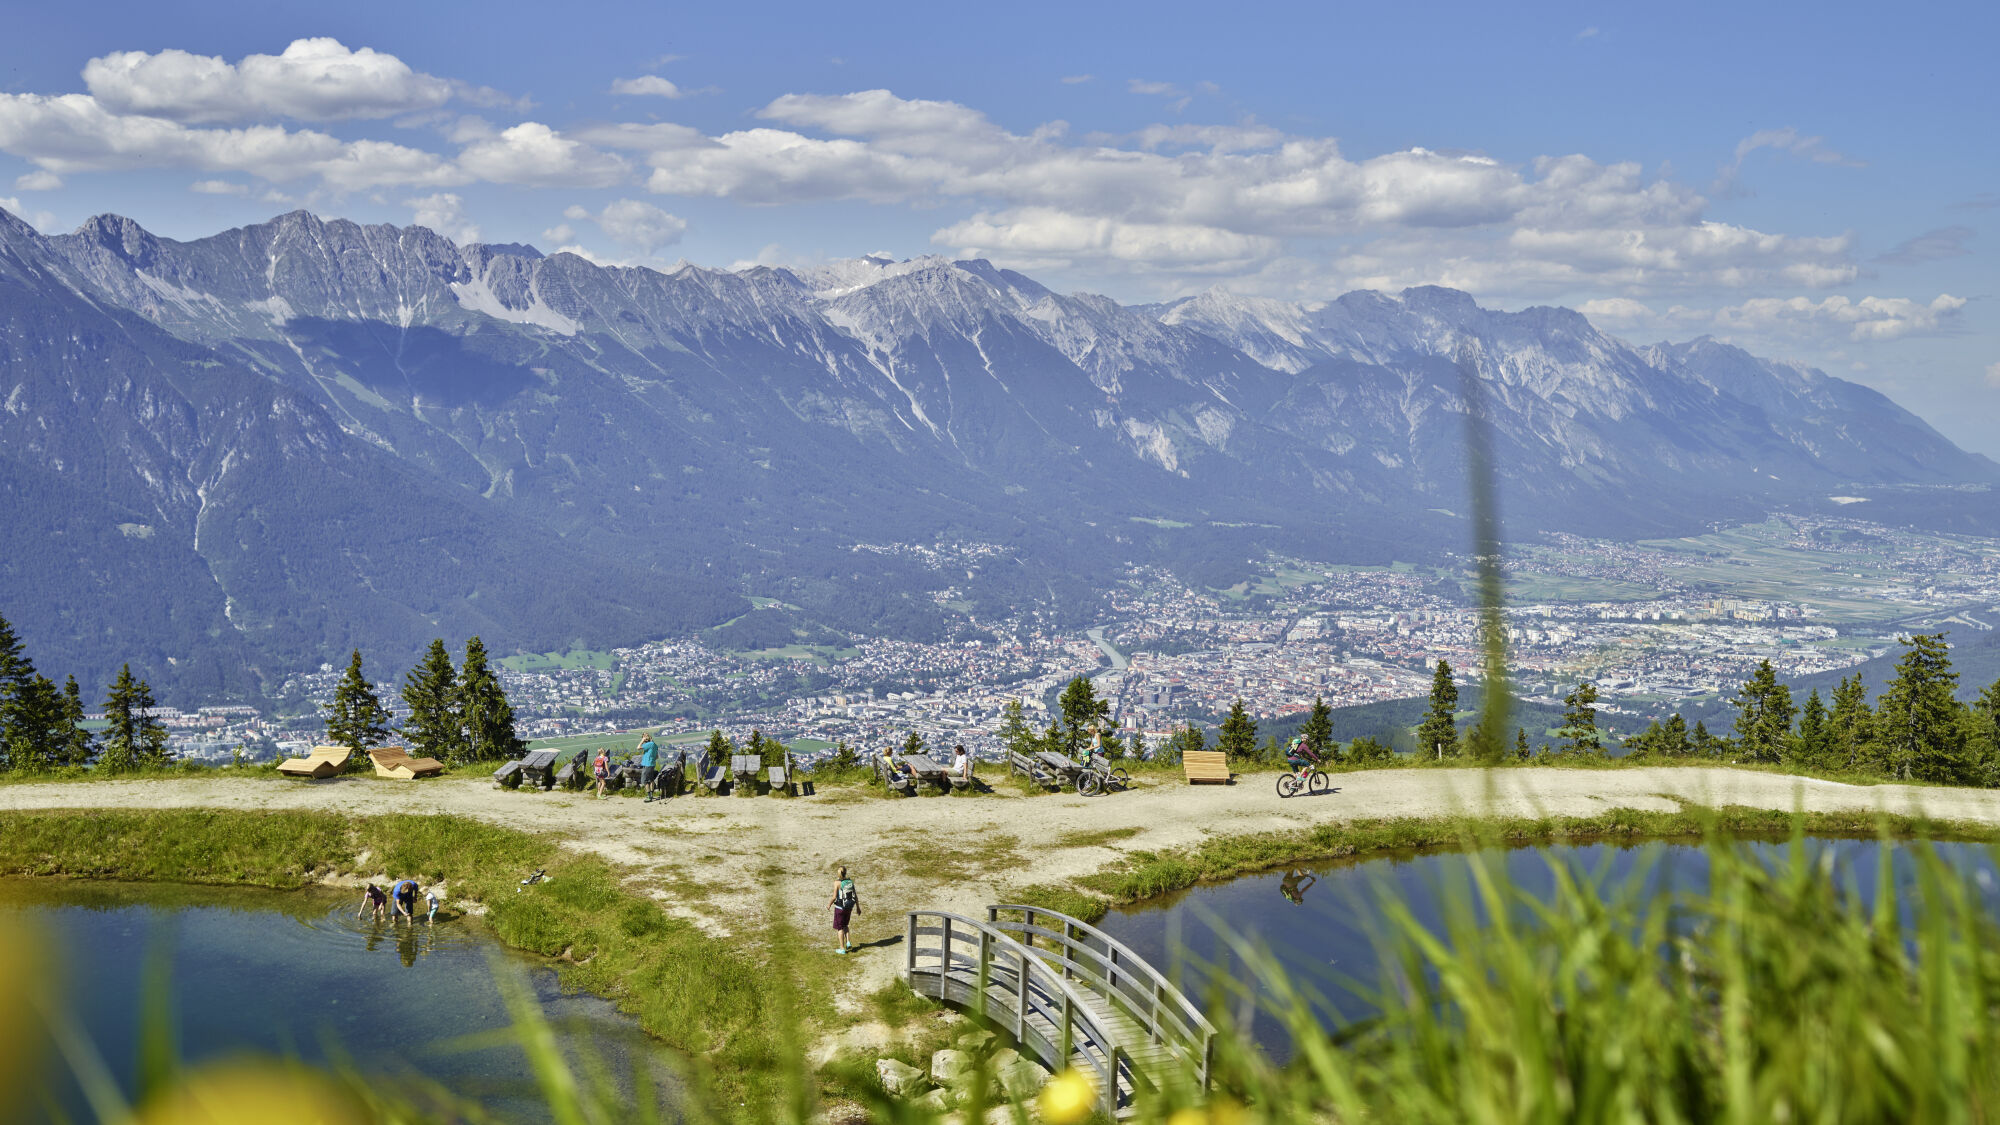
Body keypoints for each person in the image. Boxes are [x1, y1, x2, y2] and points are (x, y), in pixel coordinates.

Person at [829, 866, 859, 954]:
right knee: (845, 925)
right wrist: (858, 907)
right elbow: (855, 895)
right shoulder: (850, 882)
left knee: (840, 928)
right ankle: (848, 942)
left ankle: (842, 948)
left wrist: (829, 904)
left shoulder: (837, 883)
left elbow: (834, 897)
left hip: (840, 908)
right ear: (845, 872)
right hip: (849, 907)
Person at [637, 733, 661, 802]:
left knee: (644, 780)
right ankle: (651, 794)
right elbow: (657, 757)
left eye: (644, 737)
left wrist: (641, 741)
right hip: (652, 764)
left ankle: (649, 796)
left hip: (647, 764)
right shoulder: (654, 745)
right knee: (651, 779)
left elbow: (638, 747)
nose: (643, 738)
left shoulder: (649, 744)